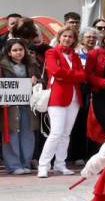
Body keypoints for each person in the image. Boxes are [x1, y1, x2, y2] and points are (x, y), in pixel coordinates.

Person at [38, 26, 87, 177]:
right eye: (65, 36)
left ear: (74, 40)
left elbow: (83, 76)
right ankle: (43, 165)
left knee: (66, 134)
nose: (67, 39)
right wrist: (73, 75)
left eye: (70, 37)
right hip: (58, 97)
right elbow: (55, 71)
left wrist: (67, 75)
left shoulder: (75, 55)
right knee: (56, 133)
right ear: (59, 37)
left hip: (74, 98)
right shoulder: (52, 52)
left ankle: (60, 164)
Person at [1, 39, 39, 174]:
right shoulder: (2, 66)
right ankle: (14, 165)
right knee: (11, 134)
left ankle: (26, 163)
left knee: (28, 134)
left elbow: (42, 81)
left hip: (28, 105)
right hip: (10, 106)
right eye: (15, 50)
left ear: (25, 51)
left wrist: (36, 81)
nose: (18, 53)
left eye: (20, 50)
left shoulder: (32, 64)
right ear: (9, 53)